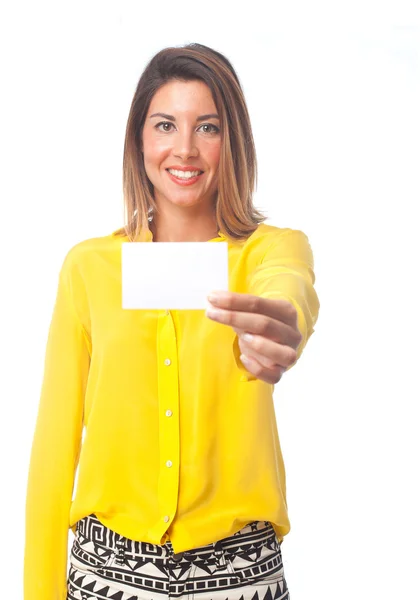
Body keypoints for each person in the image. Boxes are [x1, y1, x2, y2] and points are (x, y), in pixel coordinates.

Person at [24, 42, 320, 600]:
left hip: (241, 581)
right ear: (140, 140)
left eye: (207, 127)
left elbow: (289, 288)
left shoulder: (268, 252)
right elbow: (53, 449)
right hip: (103, 578)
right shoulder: (89, 268)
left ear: (234, 141)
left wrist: (285, 322)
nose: (185, 149)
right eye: (166, 125)